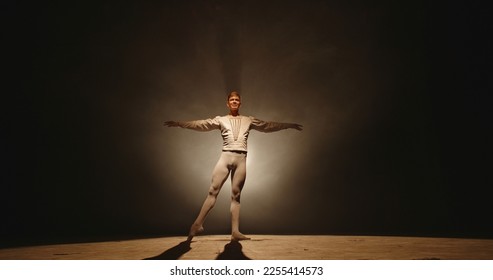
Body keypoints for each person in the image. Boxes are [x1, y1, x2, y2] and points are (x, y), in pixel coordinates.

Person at [164, 92, 302, 241]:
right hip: (225, 157)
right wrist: (180, 124)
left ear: (240, 103)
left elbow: (267, 126)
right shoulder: (221, 119)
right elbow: (201, 124)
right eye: (232, 100)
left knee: (236, 196)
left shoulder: (248, 120)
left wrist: (288, 125)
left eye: (237, 100)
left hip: (241, 159)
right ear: (227, 103)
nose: (234, 102)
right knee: (212, 191)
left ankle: (235, 232)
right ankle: (197, 224)